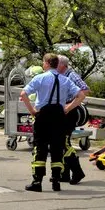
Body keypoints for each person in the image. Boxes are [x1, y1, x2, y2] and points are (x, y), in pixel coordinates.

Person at [20, 53, 85, 192]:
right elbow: (81, 95)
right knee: (57, 149)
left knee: (40, 148)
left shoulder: (40, 78)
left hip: (43, 115)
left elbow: (23, 94)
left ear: (47, 63)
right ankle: (56, 181)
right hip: (59, 116)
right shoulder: (65, 80)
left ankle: (37, 182)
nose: (43, 65)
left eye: (44, 62)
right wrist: (68, 108)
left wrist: (31, 110)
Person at [57, 55, 89, 184]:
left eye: (57, 63)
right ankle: (64, 173)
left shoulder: (71, 75)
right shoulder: (59, 76)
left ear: (63, 65)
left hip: (69, 112)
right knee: (60, 144)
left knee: (64, 143)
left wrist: (70, 105)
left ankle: (77, 172)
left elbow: (85, 89)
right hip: (62, 112)